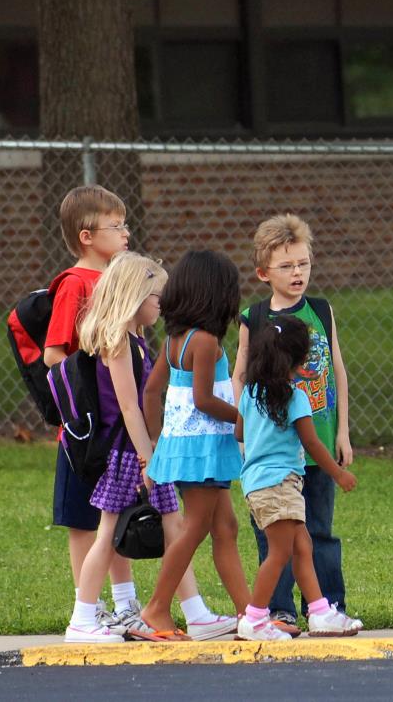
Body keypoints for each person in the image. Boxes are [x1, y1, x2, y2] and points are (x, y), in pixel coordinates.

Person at [231, 214, 353, 636]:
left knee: (318, 530)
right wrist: (241, 433)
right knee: (277, 536)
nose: (297, 273)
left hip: (317, 440)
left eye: (303, 263)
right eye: (286, 266)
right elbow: (241, 376)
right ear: (264, 272)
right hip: (274, 455)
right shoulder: (255, 316)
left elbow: (337, 369)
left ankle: (326, 605)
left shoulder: (321, 310)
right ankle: (277, 611)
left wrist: (341, 432)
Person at [63, 252, 179, 642]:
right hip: (128, 455)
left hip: (139, 452)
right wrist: (148, 456)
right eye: (155, 297)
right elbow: (129, 406)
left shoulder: (135, 340)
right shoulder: (118, 343)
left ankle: (185, 611)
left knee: (170, 523)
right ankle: (82, 619)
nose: (160, 305)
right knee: (107, 532)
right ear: (135, 295)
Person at [43, 185, 142, 634]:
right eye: (116, 226)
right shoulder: (76, 285)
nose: (125, 233)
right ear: (87, 236)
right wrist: (85, 406)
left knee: (116, 514)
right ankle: (91, 608)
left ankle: (126, 604)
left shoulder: (113, 280)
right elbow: (54, 354)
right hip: (86, 434)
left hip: (117, 429)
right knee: (85, 523)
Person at [138, 250, 247, 640]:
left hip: (187, 446)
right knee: (196, 526)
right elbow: (203, 399)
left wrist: (157, 439)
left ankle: (249, 615)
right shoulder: (205, 341)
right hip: (204, 451)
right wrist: (245, 421)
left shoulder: (174, 341)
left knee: (226, 526)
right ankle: (156, 608)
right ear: (215, 295)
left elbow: (152, 392)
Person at [235, 317, 361, 641]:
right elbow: (312, 442)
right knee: (279, 554)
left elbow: (239, 431)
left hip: (257, 482)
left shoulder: (251, 392)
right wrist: (338, 474)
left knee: (302, 546)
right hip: (280, 483)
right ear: (301, 360)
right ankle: (254, 618)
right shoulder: (294, 397)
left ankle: (319, 612)